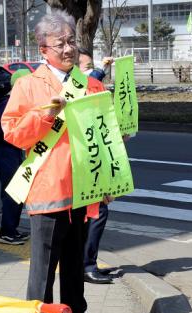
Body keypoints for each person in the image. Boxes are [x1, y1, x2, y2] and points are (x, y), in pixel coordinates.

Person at [2, 10, 116, 313]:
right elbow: (12, 132)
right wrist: (48, 112)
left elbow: (103, 134)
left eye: (71, 41)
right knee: (43, 272)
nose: (68, 48)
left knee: (74, 267)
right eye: (60, 43)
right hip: (48, 190)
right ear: (43, 48)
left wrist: (108, 180)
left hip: (83, 189)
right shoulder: (29, 85)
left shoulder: (90, 83)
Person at [77, 48, 118, 285]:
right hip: (84, 164)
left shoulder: (90, 87)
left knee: (97, 213)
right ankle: (86, 265)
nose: (92, 71)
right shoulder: (78, 90)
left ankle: (87, 262)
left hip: (94, 160)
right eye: (87, 66)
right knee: (96, 213)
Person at [0, 69, 32, 245]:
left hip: (12, 150)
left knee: (17, 191)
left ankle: (12, 230)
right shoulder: (8, 104)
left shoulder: (17, 102)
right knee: (12, 191)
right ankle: (7, 233)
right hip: (5, 151)